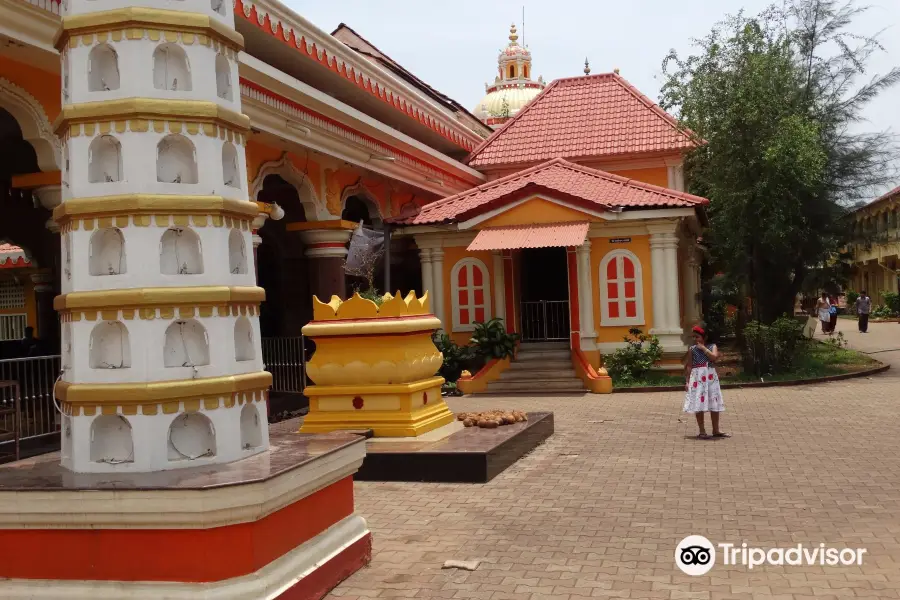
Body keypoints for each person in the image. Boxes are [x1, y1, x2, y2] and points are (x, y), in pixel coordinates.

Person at [683, 326, 729, 439]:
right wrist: (687, 381)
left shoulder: (712, 346)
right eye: (694, 337)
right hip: (697, 377)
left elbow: (714, 358)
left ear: (705, 337)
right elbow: (689, 365)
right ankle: (702, 430)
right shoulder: (692, 349)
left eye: (697, 337)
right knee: (699, 402)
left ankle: (716, 429)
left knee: (714, 401)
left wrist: (703, 348)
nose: (695, 339)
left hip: (710, 376)